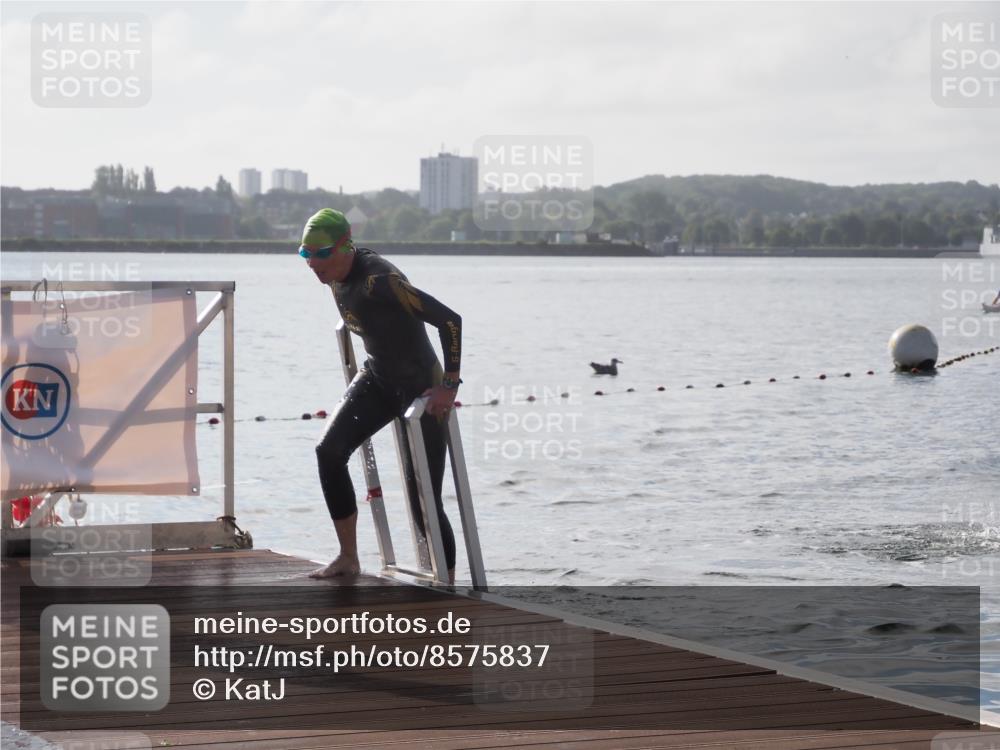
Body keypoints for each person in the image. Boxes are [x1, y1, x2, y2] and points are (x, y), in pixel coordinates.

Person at [300, 208, 461, 584]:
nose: (312, 264)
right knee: (329, 452)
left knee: (423, 499)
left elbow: (450, 321)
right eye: (305, 254)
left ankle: (449, 586)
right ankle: (348, 557)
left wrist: (448, 386)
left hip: (420, 388)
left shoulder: (381, 281)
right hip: (379, 377)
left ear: (345, 246)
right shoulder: (333, 275)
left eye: (320, 254)